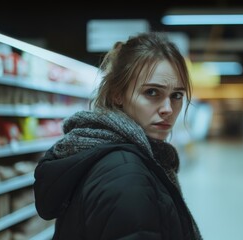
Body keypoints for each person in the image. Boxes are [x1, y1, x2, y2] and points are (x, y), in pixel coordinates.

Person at [33, 32, 202, 240]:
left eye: (176, 95)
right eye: (152, 92)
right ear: (117, 94)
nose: (168, 108)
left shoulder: (114, 154)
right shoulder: (127, 175)